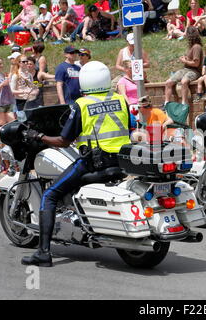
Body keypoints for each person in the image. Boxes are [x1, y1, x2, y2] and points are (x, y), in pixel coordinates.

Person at [21, 61, 133, 267]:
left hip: (94, 163)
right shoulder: (120, 99)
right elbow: (130, 127)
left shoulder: (82, 105)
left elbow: (63, 141)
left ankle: (43, 253)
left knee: (50, 194)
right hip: (123, 160)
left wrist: (39, 135)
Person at [164, 26, 203, 107]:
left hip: (194, 71)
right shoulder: (191, 46)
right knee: (168, 82)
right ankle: (166, 104)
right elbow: (190, 60)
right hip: (185, 69)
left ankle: (184, 104)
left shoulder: (196, 47)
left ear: (190, 35)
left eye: (186, 33)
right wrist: (186, 58)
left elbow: (196, 64)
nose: (185, 35)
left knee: (184, 82)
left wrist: (185, 61)